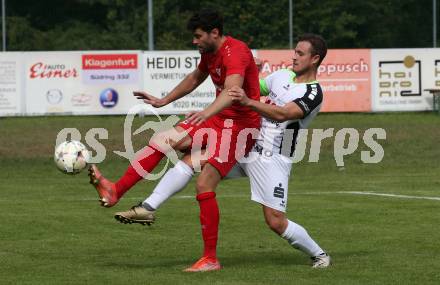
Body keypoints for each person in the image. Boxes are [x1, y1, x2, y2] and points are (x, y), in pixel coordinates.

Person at [115, 33, 331, 270]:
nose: (294, 56)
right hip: (244, 141)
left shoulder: (313, 93)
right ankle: (148, 208)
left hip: (272, 157)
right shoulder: (282, 75)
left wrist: (248, 102)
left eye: (300, 53)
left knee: (275, 221)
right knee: (193, 162)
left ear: (315, 59)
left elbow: (284, 113)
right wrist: (250, 73)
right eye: (295, 51)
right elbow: (246, 90)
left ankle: (319, 254)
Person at [89, 8, 260, 272]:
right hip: (218, 119)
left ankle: (210, 259)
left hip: (240, 128)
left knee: (204, 183)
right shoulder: (209, 53)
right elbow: (195, 78)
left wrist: (205, 112)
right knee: (163, 139)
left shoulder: (235, 51)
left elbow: (234, 92)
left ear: (215, 33)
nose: (195, 41)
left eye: (198, 36)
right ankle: (115, 191)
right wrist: (163, 101)